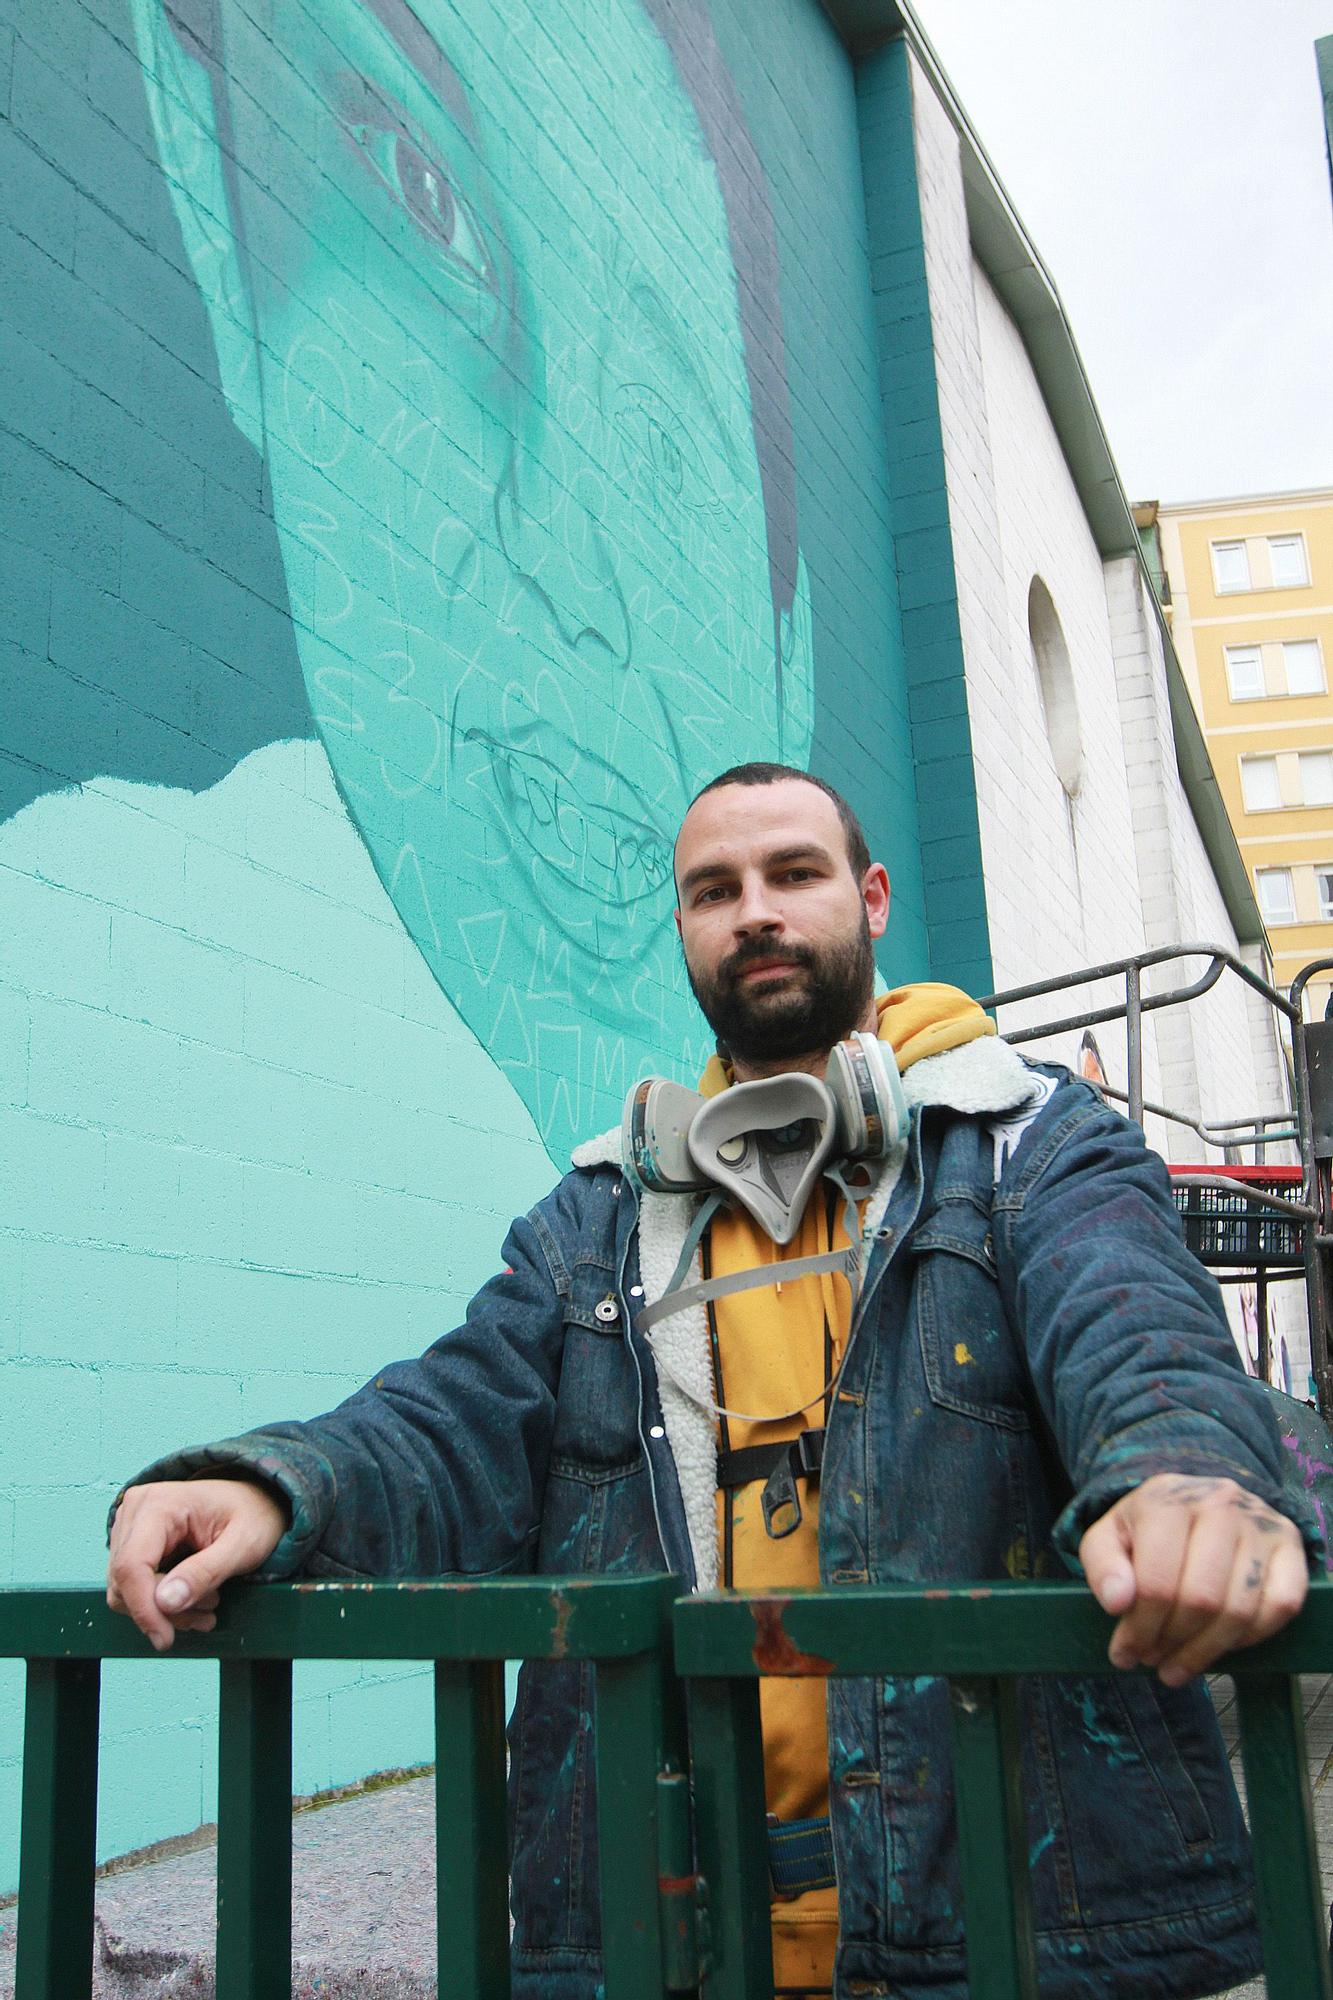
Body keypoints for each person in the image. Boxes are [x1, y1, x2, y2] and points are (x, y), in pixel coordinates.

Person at [108, 765, 1317, 2000]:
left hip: (1011, 1939)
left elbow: (1137, 1335)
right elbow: (449, 1416)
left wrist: (1179, 1474)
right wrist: (270, 1483)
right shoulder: (594, 1219)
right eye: (712, 889)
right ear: (682, 927)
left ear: (874, 896)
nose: (755, 912)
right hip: (682, 1939)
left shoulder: (1037, 1149)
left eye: (793, 873)